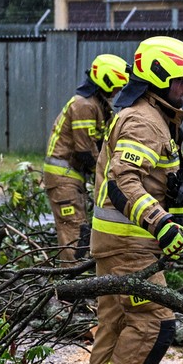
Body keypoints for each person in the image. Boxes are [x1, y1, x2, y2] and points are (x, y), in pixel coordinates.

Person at [82, 36, 183, 364]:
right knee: (156, 325)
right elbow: (123, 180)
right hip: (129, 245)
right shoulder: (144, 121)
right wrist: (160, 221)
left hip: (119, 243)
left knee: (114, 327)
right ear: (159, 77)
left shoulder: (151, 115)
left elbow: (157, 178)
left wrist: (178, 210)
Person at [42, 54, 129, 262]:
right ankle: (71, 286)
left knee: (79, 228)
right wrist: (108, 177)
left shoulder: (96, 105)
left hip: (70, 176)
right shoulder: (84, 105)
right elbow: (85, 151)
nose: (117, 93)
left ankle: (75, 281)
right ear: (107, 82)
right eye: (116, 87)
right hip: (63, 177)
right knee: (74, 231)